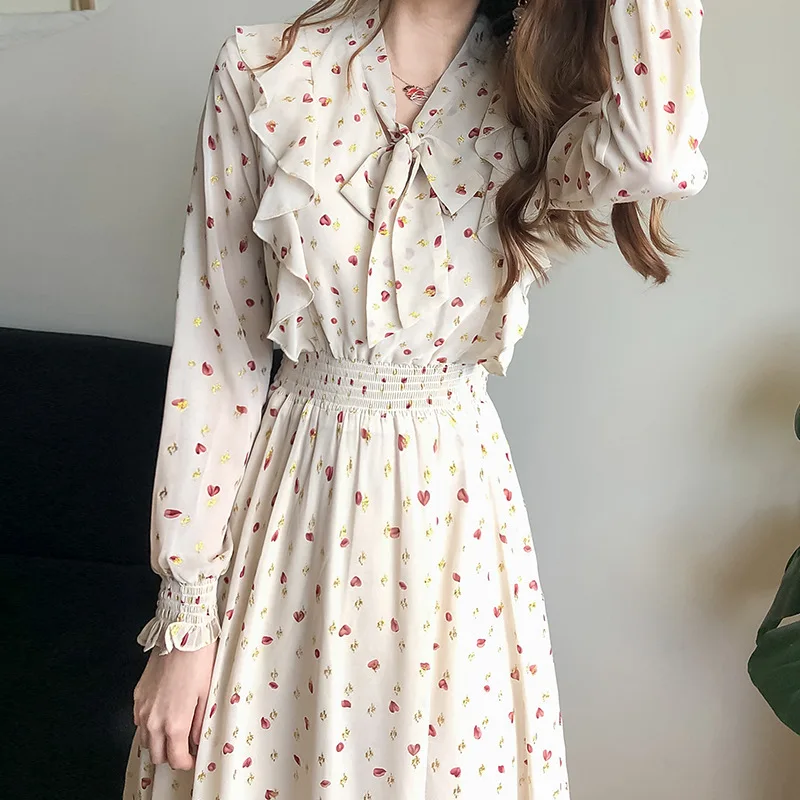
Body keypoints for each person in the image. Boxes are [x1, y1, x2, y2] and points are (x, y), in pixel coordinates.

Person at [123, 0, 707, 797]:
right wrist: (186, 622)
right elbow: (219, 351)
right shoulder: (263, 69)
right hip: (291, 509)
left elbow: (658, 156)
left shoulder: (542, 99)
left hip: (452, 528)